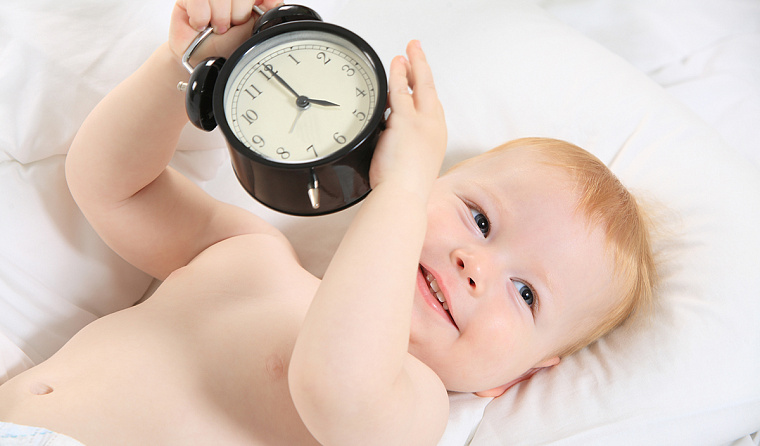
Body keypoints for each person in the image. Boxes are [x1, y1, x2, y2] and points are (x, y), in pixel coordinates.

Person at [0, 0, 657, 444]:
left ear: (512, 379)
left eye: (527, 294)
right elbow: (113, 186)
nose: (475, 265)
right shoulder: (250, 251)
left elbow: (334, 387)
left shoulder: (413, 404)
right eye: (480, 219)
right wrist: (192, 63)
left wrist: (401, 190)